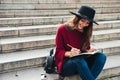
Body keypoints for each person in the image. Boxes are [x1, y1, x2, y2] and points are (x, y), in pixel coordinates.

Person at [54, 6, 106, 80]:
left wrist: (88, 51)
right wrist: (69, 53)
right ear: (77, 18)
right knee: (79, 60)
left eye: (87, 23)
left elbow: (84, 50)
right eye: (82, 20)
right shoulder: (62, 29)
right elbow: (58, 52)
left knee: (101, 56)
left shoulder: (86, 31)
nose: (84, 24)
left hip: (82, 62)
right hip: (66, 64)